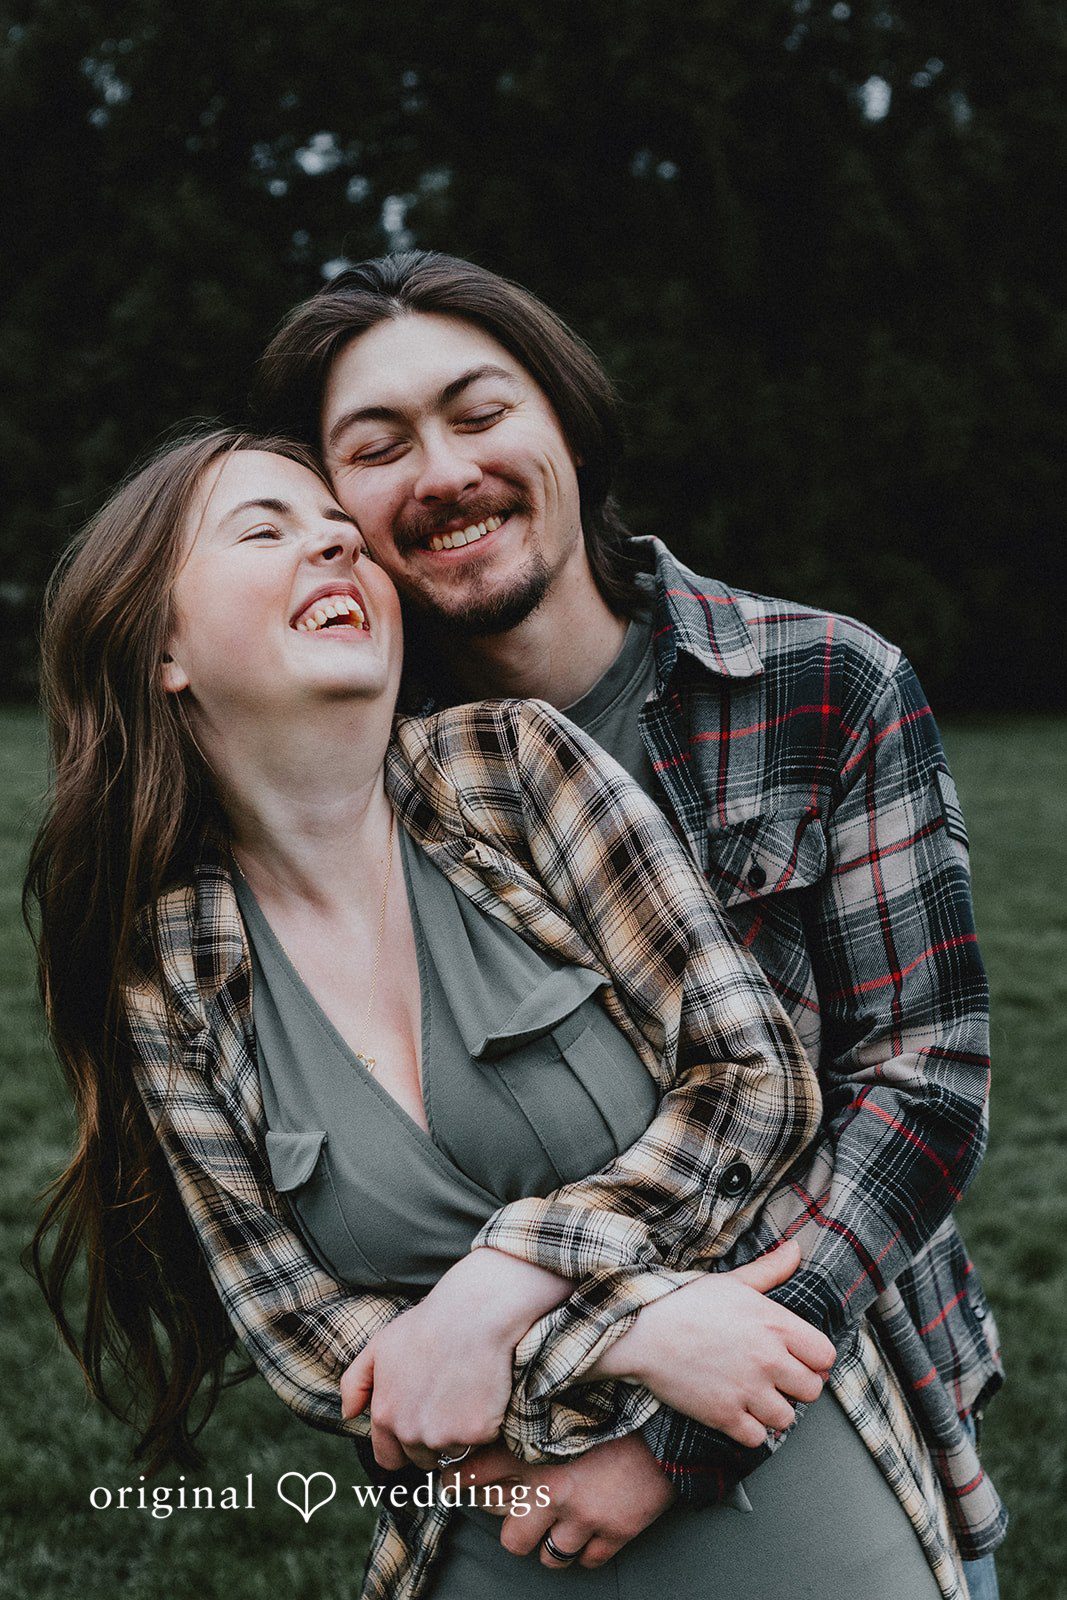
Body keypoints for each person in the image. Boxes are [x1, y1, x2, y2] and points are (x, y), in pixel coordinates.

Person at [26, 429, 965, 1600]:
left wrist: (500, 1284)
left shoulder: (516, 770)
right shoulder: (167, 969)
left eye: (339, 531)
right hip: (495, 1542)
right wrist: (631, 1333)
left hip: (793, 1504)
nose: (332, 541)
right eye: (264, 529)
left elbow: (751, 1078)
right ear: (160, 648)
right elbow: (299, 1328)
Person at [252, 251, 1009, 1598]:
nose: (440, 474)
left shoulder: (816, 683)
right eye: (376, 449)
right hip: (498, 1486)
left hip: (839, 1412)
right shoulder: (349, 786)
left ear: (566, 422)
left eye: (478, 414)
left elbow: (924, 1076)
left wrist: (678, 1436)